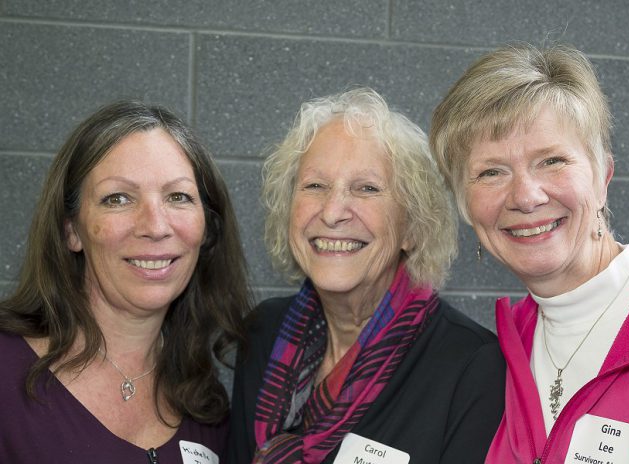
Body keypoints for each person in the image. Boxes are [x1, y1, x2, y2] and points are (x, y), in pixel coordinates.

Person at [430, 43, 629, 463]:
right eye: (491, 172)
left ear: (603, 177)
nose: (525, 196)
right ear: (464, 205)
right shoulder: (498, 354)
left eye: (551, 160)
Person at [228, 87, 505, 464]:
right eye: (314, 186)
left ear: (412, 227)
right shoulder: (262, 333)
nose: (333, 211)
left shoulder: (471, 367)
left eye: (367, 189)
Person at [0, 101, 252, 463]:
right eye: (118, 198)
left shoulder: (206, 404)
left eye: (177, 197)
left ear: (207, 227)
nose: (155, 226)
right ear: (71, 229)